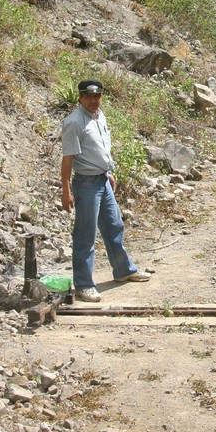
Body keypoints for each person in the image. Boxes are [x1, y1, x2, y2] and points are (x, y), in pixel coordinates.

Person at [61, 79, 150, 302]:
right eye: (88, 96)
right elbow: (68, 158)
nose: (93, 100)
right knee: (85, 235)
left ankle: (123, 270)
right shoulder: (74, 122)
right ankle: (83, 285)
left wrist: (108, 172)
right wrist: (65, 189)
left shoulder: (100, 116)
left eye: (97, 96)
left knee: (114, 225)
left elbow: (100, 149)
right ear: (80, 97)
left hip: (102, 180)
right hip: (86, 184)